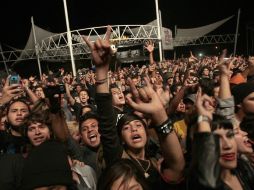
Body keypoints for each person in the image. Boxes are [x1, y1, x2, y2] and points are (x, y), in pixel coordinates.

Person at [84, 25, 185, 189]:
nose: (134, 129)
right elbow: (107, 126)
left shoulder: (157, 165)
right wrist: (102, 72)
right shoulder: (119, 161)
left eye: (138, 125)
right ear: (121, 139)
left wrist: (160, 114)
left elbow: (177, 166)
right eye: (126, 128)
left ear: (146, 132)